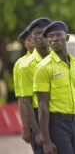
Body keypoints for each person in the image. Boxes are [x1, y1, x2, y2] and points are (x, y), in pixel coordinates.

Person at [34, 21, 75, 154]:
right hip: (57, 124)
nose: (54, 39)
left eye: (58, 35)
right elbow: (42, 105)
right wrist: (46, 141)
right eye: (50, 36)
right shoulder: (43, 67)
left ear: (67, 38)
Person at [18, 17, 52, 154]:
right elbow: (23, 100)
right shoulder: (24, 66)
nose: (38, 37)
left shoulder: (59, 59)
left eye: (42, 32)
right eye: (34, 34)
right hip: (37, 115)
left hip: (57, 115)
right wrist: (28, 129)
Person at [13, 26, 35, 144]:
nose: (32, 41)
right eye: (28, 39)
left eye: (34, 38)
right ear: (24, 44)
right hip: (33, 115)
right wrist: (25, 127)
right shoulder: (21, 65)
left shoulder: (49, 59)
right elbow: (21, 99)